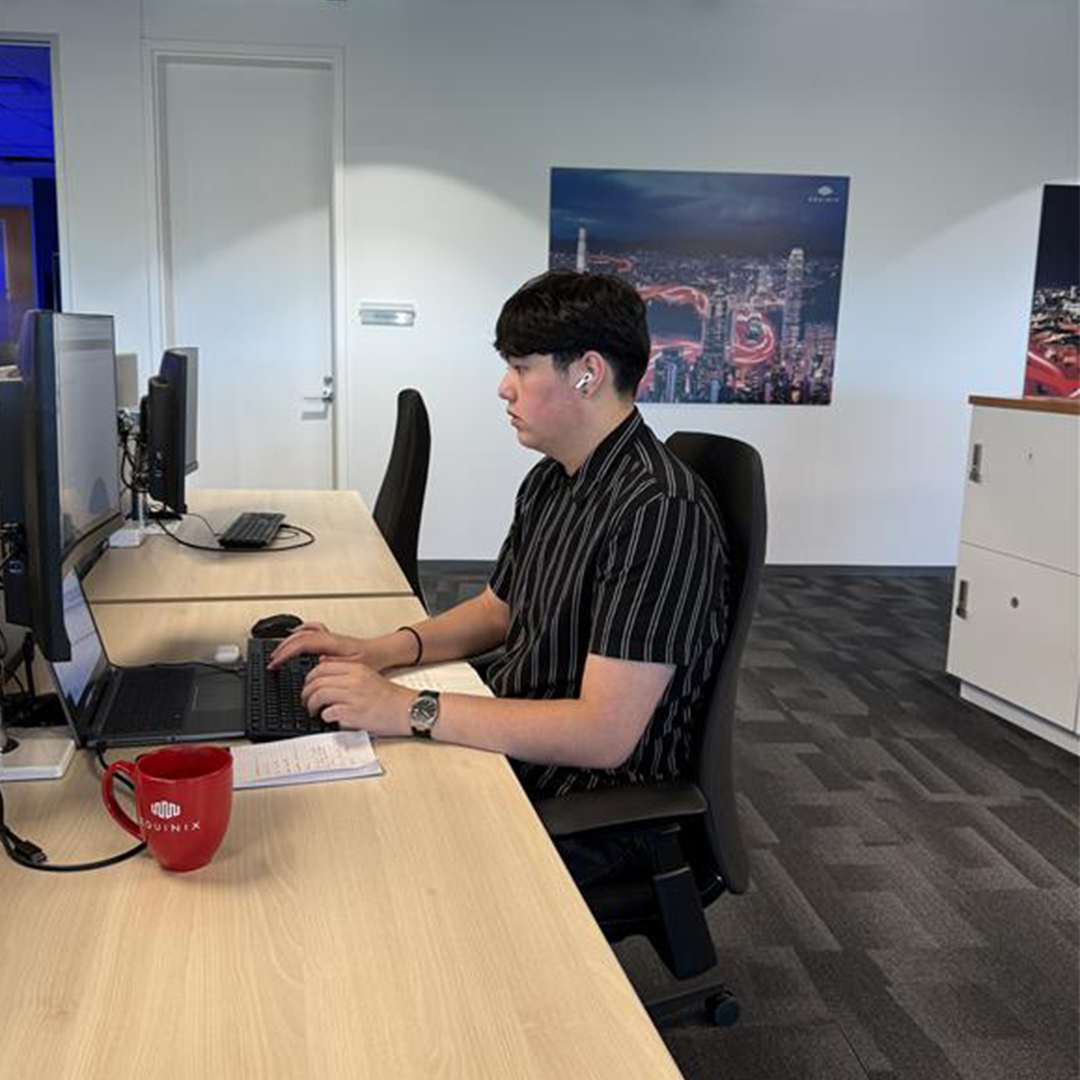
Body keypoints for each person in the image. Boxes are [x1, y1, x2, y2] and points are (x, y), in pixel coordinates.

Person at [270, 270, 729, 883]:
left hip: (593, 803)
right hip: (520, 738)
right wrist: (375, 651)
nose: (503, 388)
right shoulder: (552, 478)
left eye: (520, 367)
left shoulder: (659, 511)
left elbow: (603, 734)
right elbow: (497, 610)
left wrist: (409, 708)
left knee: (362, 849)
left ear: (587, 373)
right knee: (334, 786)